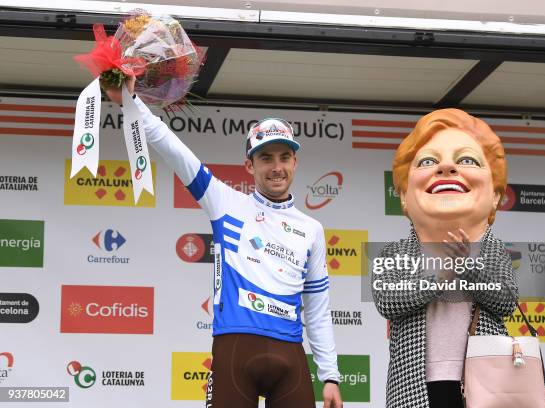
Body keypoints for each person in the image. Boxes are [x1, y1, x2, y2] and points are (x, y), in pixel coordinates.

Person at [105, 76, 343, 408]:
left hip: (290, 355)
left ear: (295, 163)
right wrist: (130, 101)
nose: (276, 167)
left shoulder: (312, 229)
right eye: (266, 158)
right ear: (249, 165)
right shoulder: (226, 203)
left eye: (284, 157)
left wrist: (330, 376)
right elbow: (172, 148)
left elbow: (317, 310)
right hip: (235, 349)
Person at [371, 109, 519, 408]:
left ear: (495, 195)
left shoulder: (494, 250)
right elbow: (388, 302)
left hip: (486, 382)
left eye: (466, 160)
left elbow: (507, 302)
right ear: (402, 195)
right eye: (428, 161)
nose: (447, 167)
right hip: (415, 385)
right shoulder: (393, 253)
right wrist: (441, 276)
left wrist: (466, 266)